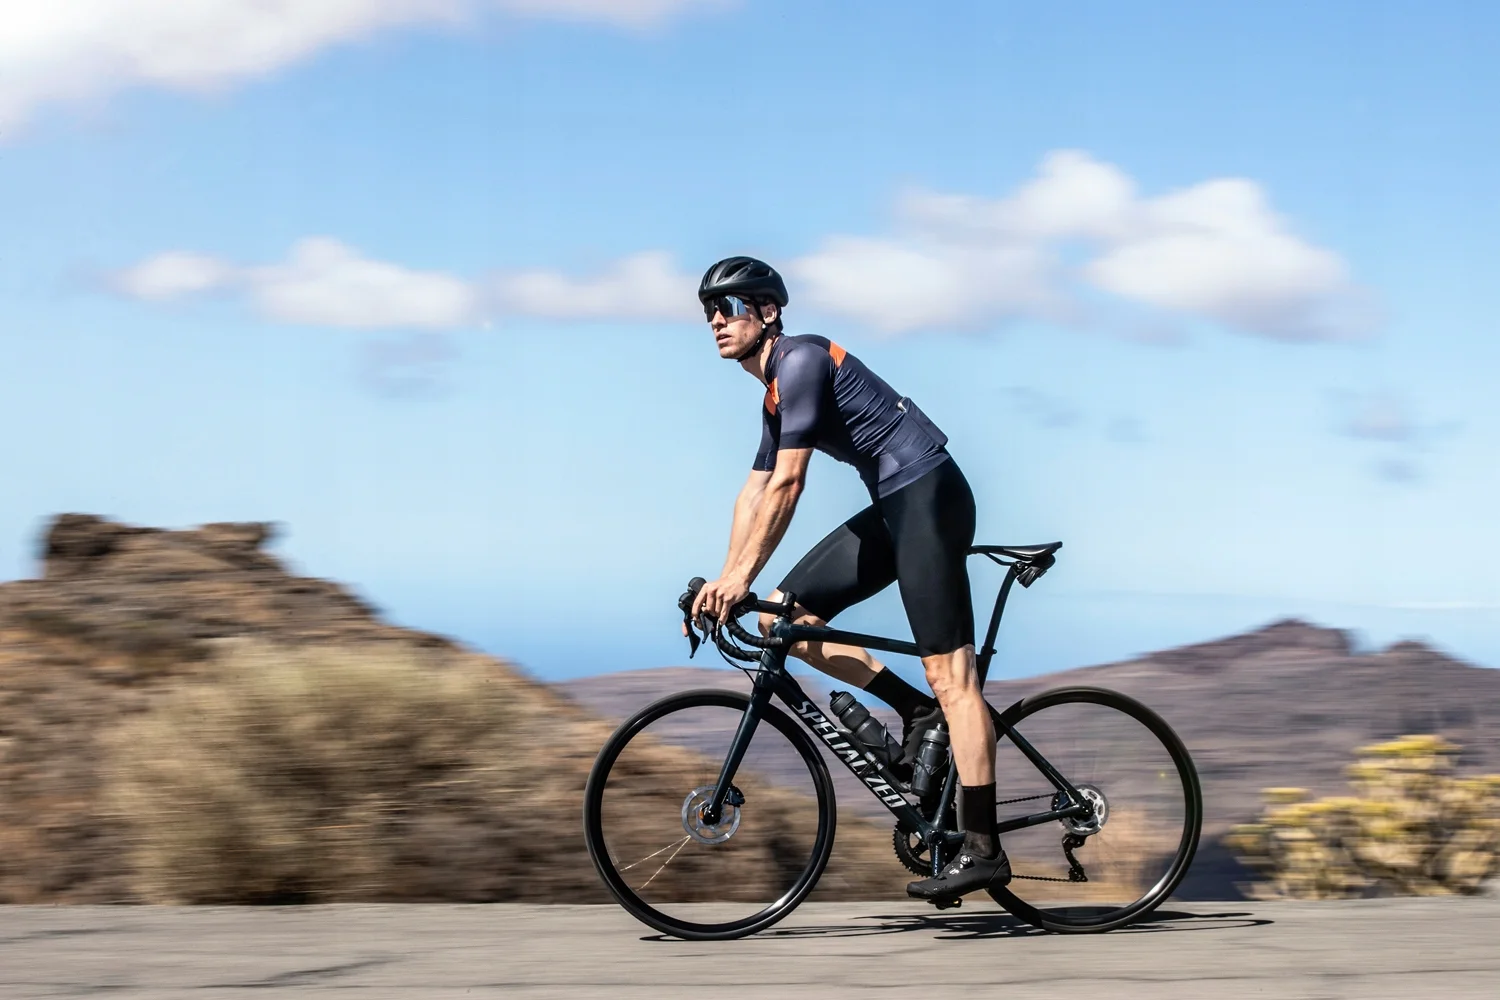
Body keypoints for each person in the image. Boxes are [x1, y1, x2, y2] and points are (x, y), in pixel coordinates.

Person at [687, 255, 1010, 901]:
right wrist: (724, 582)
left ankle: (984, 849)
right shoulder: (774, 393)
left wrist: (742, 574)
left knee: (953, 678)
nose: (717, 320)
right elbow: (753, 493)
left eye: (731, 307)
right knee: (779, 618)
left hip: (930, 498)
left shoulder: (801, 360)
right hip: (895, 505)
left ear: (768, 312)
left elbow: (789, 483)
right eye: (709, 312)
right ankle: (916, 714)